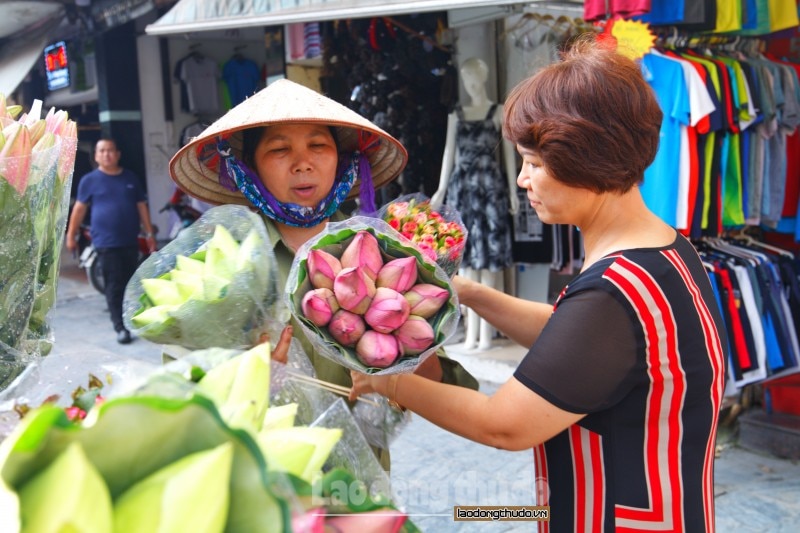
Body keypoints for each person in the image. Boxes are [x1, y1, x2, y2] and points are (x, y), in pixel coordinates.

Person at [351, 37, 728, 531]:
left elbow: (504, 424)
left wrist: (390, 381)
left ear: (583, 157)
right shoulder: (663, 250)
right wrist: (471, 292)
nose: (523, 181)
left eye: (533, 163)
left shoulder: (613, 292)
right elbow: (576, 344)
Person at [168, 79, 479, 469]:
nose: (303, 162)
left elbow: (442, 381)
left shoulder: (387, 251)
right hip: (266, 478)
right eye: (279, 149)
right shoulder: (224, 260)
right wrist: (243, 379)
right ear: (249, 167)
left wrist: (405, 360)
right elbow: (181, 387)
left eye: (318, 145)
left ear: (341, 158)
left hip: (362, 481)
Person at [431, 57, 519, 351]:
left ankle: (486, 333)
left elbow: (508, 154)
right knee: (466, 260)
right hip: (463, 189)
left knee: (490, 258)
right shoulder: (456, 113)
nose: (470, 86)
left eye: (474, 79)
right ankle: (470, 332)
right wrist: (442, 190)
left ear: (483, 79)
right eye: (466, 80)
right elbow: (448, 152)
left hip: (490, 188)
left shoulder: (498, 111)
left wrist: (512, 191)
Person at [66, 138, 157, 345]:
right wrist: (71, 235)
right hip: (106, 242)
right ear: (96, 156)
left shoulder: (130, 177)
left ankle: (132, 319)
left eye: (110, 150)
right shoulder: (89, 180)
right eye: (102, 151)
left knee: (130, 283)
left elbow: (141, 207)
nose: (107, 154)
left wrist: (150, 234)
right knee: (114, 286)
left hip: (130, 240)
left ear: (117, 154)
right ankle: (120, 326)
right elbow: (79, 209)